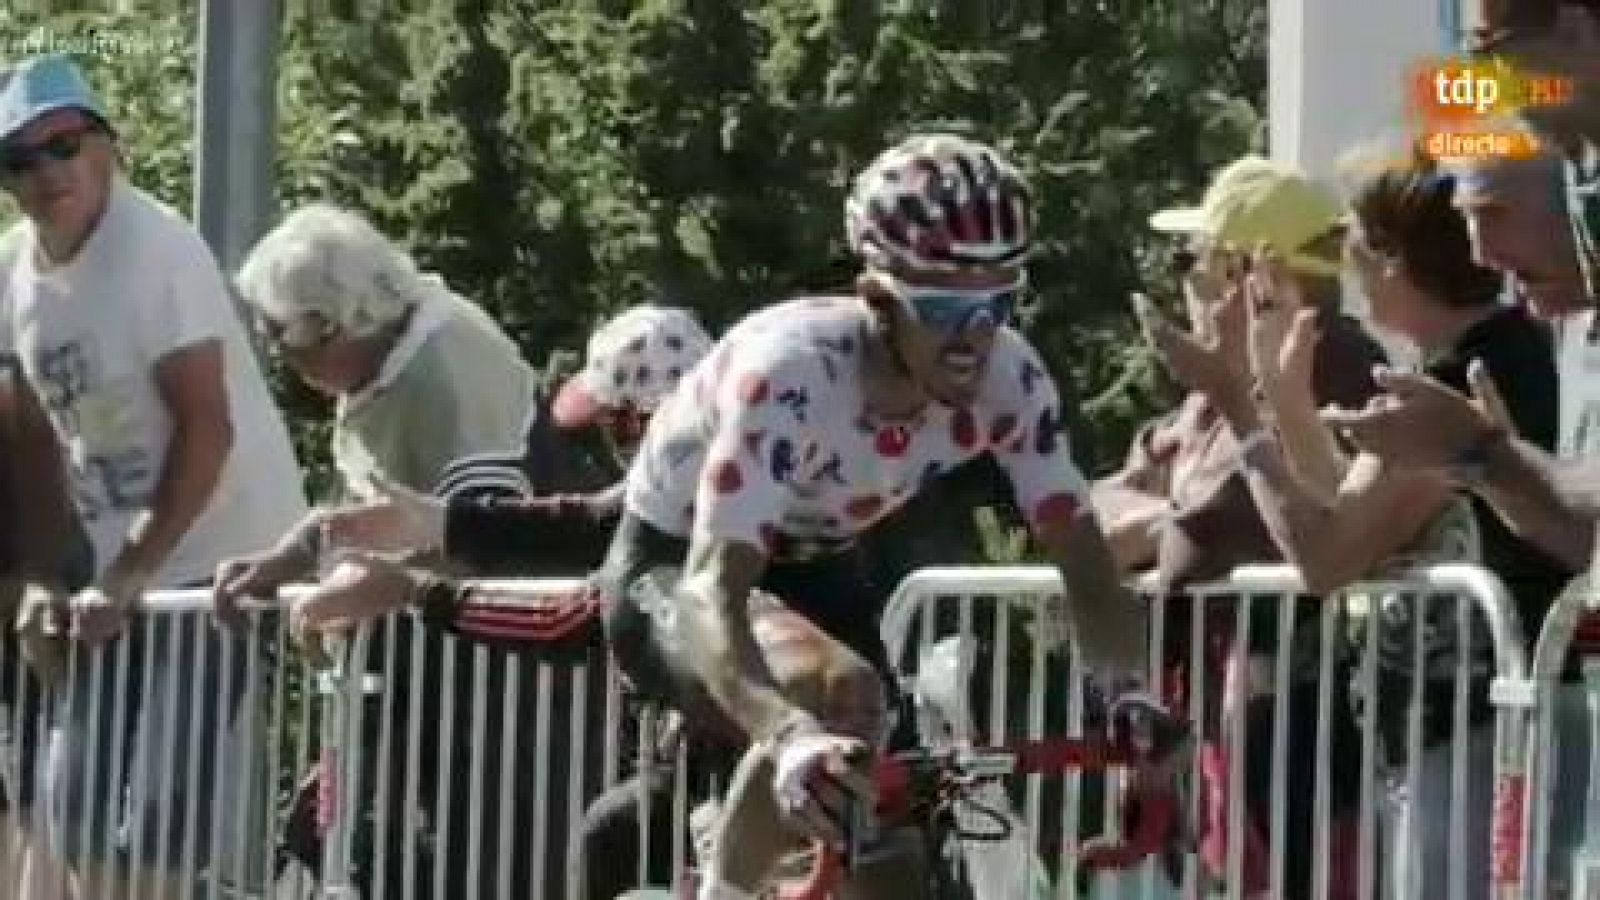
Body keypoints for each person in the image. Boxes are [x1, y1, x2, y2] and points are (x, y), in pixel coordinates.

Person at [581, 132, 1179, 900]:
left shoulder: (1011, 376)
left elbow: (1086, 565)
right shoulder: (792, 373)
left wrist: (1126, 692)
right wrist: (788, 736)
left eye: (997, 304)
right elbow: (710, 594)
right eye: (940, 308)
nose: (972, 339)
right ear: (876, 298)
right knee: (827, 696)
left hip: (821, 570)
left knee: (893, 846)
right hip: (675, 567)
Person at [0, 53, 308, 897]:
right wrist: (37, 575)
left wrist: (133, 570)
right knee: (73, 804)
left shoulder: (156, 250)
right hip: (114, 574)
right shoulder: (13, 271)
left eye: (63, 144)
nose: (45, 173)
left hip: (216, 560)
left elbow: (207, 429)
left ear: (109, 146)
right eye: (18, 160)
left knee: (167, 807)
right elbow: (27, 427)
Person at [1096, 155, 1386, 899]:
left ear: (1243, 270)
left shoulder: (1337, 366)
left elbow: (1194, 542)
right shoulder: (1208, 398)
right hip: (1222, 724)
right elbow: (1088, 518)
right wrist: (1169, 512)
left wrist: (1166, 516)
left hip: (1299, 732)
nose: (1185, 278)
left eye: (1194, 258)